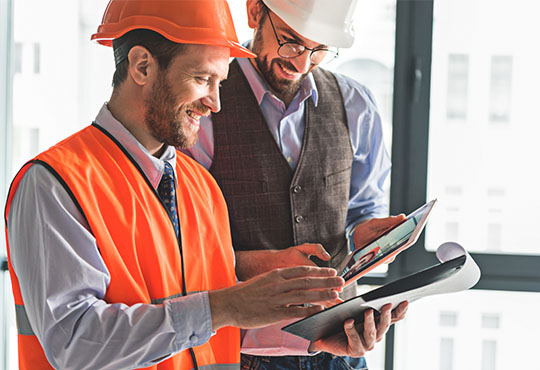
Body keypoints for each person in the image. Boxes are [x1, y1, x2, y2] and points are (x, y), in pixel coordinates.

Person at [3, 1, 352, 369]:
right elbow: (76, 341)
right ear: (142, 66)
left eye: (220, 82)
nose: (215, 103)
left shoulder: (201, 187)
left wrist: (315, 337)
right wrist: (227, 306)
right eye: (202, 79)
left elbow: (213, 326)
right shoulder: (55, 184)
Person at [185, 0, 409, 368]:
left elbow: (363, 208)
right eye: (291, 41)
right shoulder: (201, 109)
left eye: (320, 49)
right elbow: (183, 251)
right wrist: (264, 264)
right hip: (241, 355)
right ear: (255, 12)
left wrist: (364, 234)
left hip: (340, 350)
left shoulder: (357, 105)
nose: (302, 63)